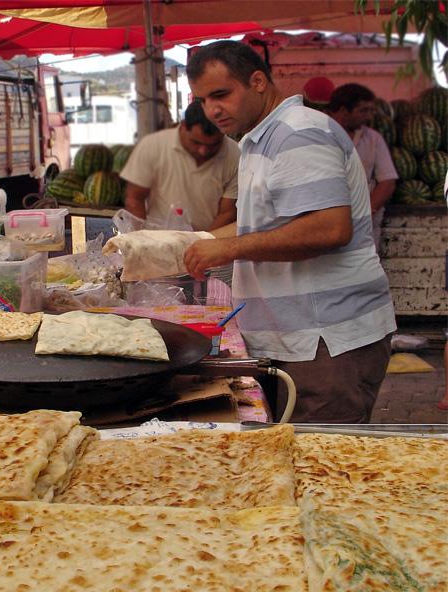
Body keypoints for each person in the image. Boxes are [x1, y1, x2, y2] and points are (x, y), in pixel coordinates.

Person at [183, 41, 397, 424]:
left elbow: (329, 228)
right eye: (202, 99)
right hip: (298, 339)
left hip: (325, 340)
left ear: (258, 81)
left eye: (221, 94)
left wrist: (228, 249)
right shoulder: (260, 138)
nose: (212, 109)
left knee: (323, 468)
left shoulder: (297, 133)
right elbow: (263, 224)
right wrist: (197, 243)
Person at [119, 101, 239, 233]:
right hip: (158, 241)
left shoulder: (236, 155)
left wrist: (203, 244)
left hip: (207, 242)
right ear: (183, 126)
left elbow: (227, 213)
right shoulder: (152, 145)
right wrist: (139, 239)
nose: (203, 151)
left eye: (213, 145)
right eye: (196, 142)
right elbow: (135, 199)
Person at [328, 83, 398, 253]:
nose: (369, 116)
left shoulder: (373, 139)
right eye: (363, 111)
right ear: (344, 111)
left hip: (366, 228)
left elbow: (387, 181)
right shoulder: (320, 136)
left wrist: (366, 212)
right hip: (329, 225)